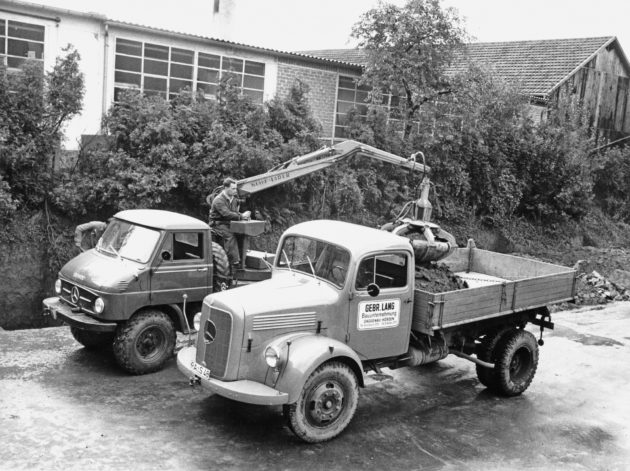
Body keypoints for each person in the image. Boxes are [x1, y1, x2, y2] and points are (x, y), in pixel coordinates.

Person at [208, 178, 250, 267]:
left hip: (228, 223)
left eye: (235, 188)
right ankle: (233, 262)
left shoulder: (233, 199)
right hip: (218, 224)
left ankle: (242, 259)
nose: (235, 191)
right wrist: (241, 216)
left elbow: (234, 212)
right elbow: (226, 214)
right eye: (233, 188)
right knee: (230, 235)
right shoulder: (218, 200)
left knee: (242, 234)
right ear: (225, 188)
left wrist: (243, 215)